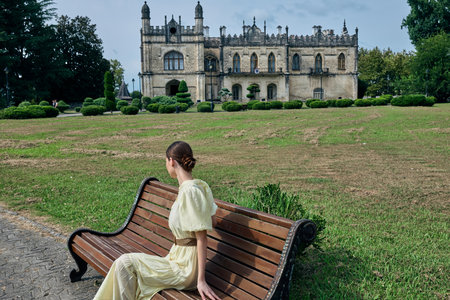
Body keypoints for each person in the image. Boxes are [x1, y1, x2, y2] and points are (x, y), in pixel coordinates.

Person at [93, 141, 220, 300]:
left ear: (171, 161)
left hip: (185, 268)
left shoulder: (190, 191)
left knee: (125, 264)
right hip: (178, 259)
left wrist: (200, 280)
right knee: (127, 267)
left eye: (165, 161)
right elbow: (212, 221)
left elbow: (202, 237)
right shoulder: (199, 186)